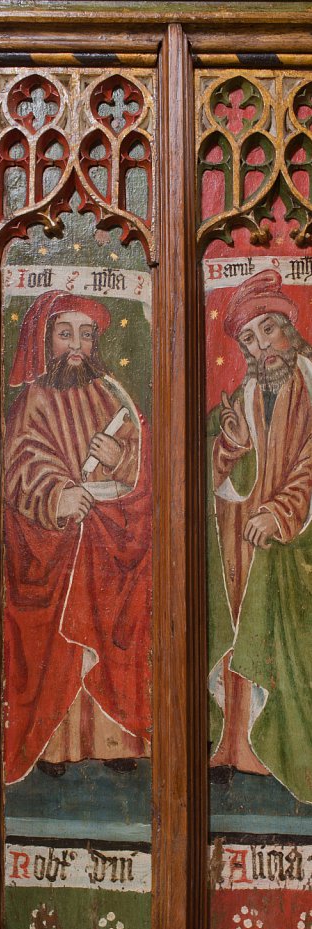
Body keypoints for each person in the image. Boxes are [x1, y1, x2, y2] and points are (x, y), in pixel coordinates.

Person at [4, 289, 152, 784]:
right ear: (45, 340)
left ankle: (115, 740)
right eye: (65, 333)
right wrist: (57, 495)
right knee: (62, 645)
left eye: (85, 335)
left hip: (106, 541)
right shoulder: (34, 399)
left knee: (114, 627)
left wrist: (122, 460)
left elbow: (138, 457)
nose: (77, 346)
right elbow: (21, 465)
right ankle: (55, 744)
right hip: (57, 543)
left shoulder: (109, 395)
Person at [208, 268, 312, 802]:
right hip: (244, 543)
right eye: (249, 339)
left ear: (290, 331)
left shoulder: (310, 384)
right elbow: (220, 467)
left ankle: (289, 753)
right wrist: (228, 448)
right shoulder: (248, 394)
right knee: (239, 634)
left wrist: (283, 511)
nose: (261, 347)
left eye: (268, 330)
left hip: (295, 548)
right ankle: (236, 749)